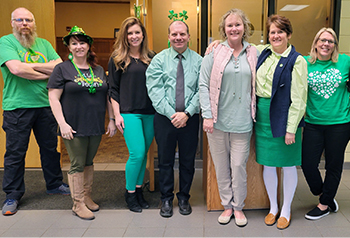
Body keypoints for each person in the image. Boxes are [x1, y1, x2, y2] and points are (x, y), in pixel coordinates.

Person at [0, 7, 70, 216]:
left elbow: (60, 68)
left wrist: (31, 69)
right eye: (20, 20)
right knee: (15, 153)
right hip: (17, 107)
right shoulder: (6, 42)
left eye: (28, 20)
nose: (25, 24)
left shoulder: (44, 44)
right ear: (13, 23)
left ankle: (54, 184)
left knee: (50, 148)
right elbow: (16, 69)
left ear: (33, 23)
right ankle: (12, 194)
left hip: (45, 105)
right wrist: (44, 70)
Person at [47, 26, 116, 220]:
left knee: (88, 161)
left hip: (94, 125)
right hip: (73, 126)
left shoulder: (99, 69)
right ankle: (77, 204)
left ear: (88, 46)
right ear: (69, 47)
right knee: (77, 163)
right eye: (74, 43)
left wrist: (111, 120)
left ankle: (86, 197)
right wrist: (62, 124)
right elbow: (53, 99)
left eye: (82, 43)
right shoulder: (61, 69)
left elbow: (107, 97)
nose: (79, 47)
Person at [199, 9, 257, 227]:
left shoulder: (254, 52)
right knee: (221, 166)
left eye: (238, 25)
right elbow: (203, 84)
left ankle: (239, 207)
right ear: (223, 29)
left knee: (239, 166)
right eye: (230, 25)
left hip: (243, 122)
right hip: (217, 122)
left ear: (245, 28)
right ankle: (227, 205)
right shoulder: (214, 53)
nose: (234, 28)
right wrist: (207, 115)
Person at [254, 15, 307, 229]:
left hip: (286, 116)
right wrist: (216, 46)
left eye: (280, 32)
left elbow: (300, 98)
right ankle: (273, 208)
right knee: (268, 162)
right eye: (272, 32)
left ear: (289, 35)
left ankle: (286, 210)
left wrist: (291, 129)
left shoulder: (298, 60)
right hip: (263, 115)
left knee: (287, 164)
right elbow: (238, 42)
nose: (276, 36)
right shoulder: (262, 53)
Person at [146, 20, 202, 218]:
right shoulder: (159, 60)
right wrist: (172, 114)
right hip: (164, 118)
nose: (178, 38)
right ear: (168, 36)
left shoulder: (199, 61)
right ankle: (167, 198)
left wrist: (186, 113)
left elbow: (201, 90)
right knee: (165, 160)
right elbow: (155, 91)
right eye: (174, 34)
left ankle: (184, 196)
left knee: (188, 160)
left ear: (189, 36)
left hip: (190, 118)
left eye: (182, 34)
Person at [301, 28, 350, 220]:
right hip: (313, 122)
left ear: (335, 45)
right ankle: (325, 195)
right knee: (307, 164)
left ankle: (323, 205)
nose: (326, 44)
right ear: (315, 42)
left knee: (333, 165)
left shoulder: (344, 61)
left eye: (331, 41)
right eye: (322, 40)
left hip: (340, 123)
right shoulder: (304, 63)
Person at [108, 17, 155, 213]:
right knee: (136, 154)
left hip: (150, 113)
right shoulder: (117, 59)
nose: (134, 36)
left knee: (144, 154)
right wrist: (117, 116)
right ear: (125, 37)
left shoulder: (151, 57)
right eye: (130, 33)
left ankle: (138, 190)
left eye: (137, 32)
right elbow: (113, 89)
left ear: (143, 34)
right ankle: (129, 194)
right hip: (129, 113)